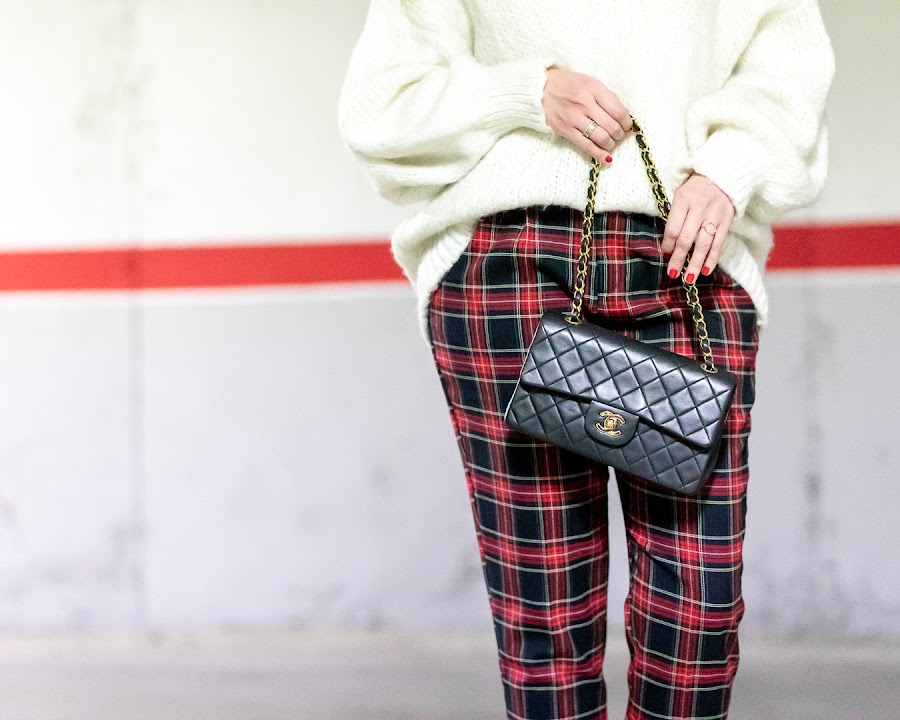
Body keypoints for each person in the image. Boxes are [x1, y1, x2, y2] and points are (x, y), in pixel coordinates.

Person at [337, 2, 835, 718]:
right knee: (545, 612)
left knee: (699, 611)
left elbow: (788, 65)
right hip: (511, 261)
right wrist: (526, 92)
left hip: (689, 257)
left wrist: (731, 168)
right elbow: (381, 103)